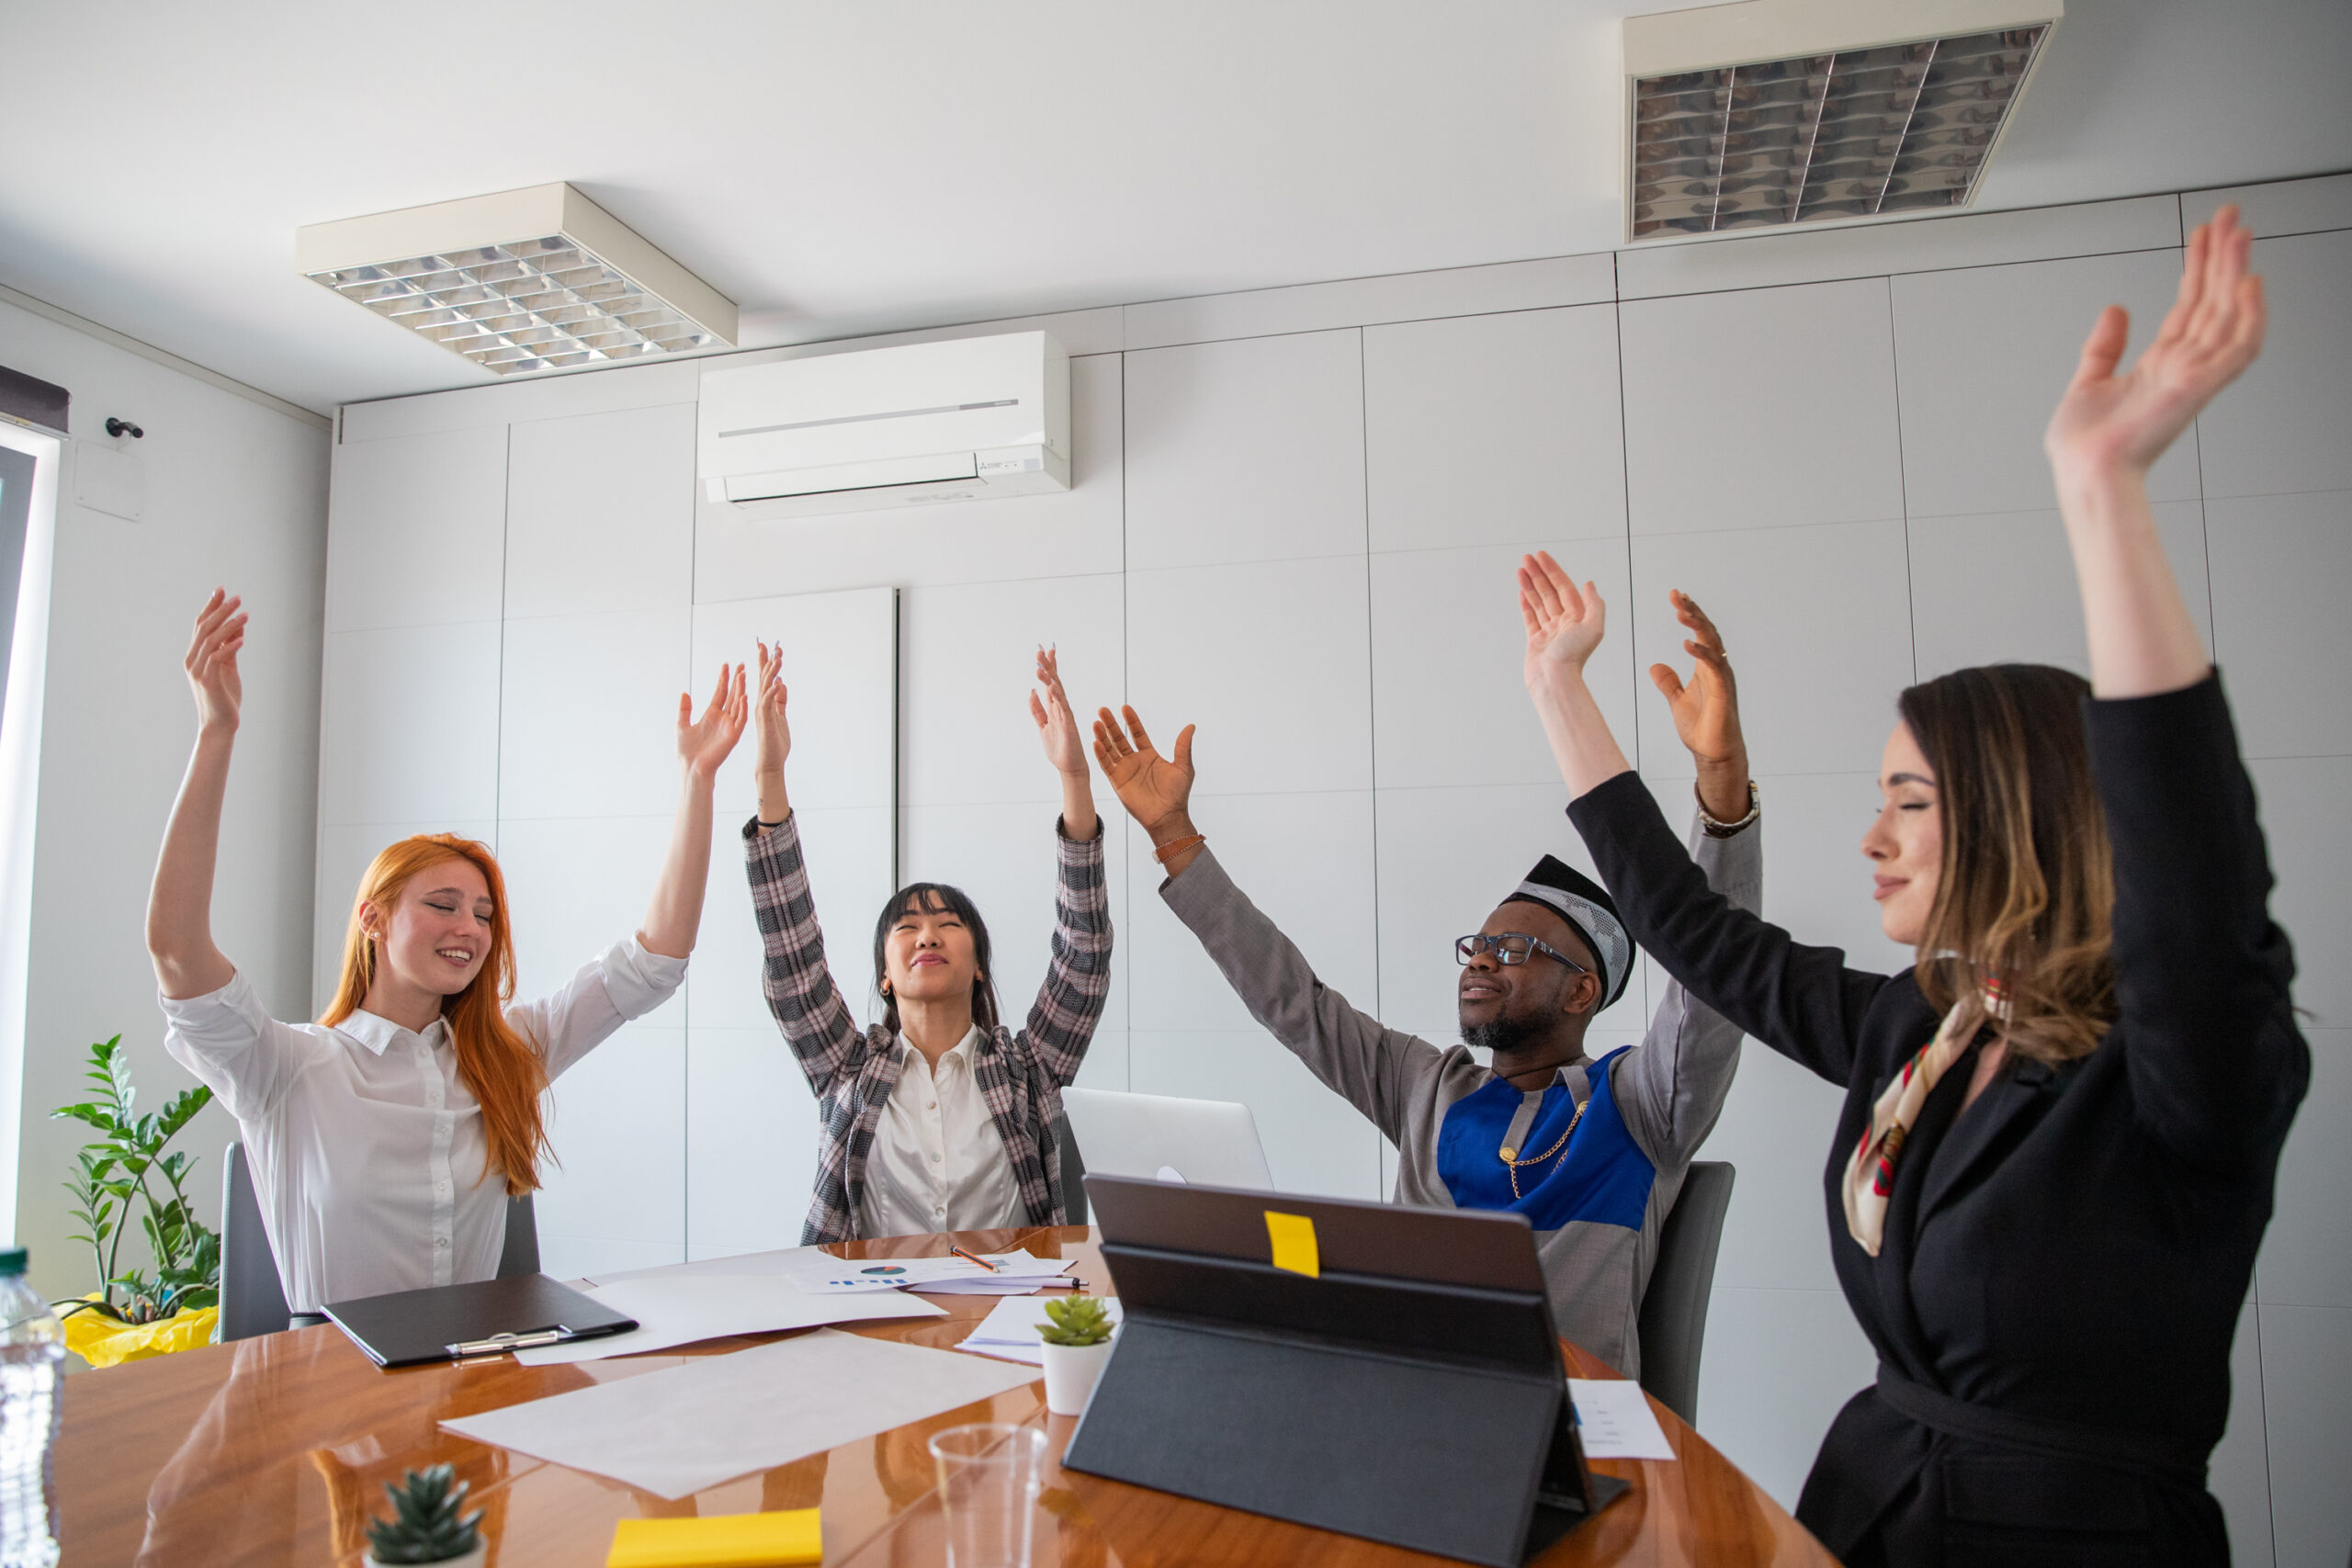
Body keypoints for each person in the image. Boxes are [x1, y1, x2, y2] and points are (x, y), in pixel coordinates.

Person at [1521, 207, 2304, 1564]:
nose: (1873, 837)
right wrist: (1557, 692)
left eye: (1911, 800)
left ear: (2024, 816)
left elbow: (2195, 888)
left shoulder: (2180, 1062)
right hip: (1867, 1507)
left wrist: (2103, 491)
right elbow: (1696, 931)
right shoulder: (1922, 1029)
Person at [1087, 622, 1761, 1378]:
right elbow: (1293, 1001)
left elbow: (1713, 987)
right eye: (1475, 945)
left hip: (1566, 1430)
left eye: (1510, 950)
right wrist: (1175, 836)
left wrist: (1723, 802)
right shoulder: (1430, 1084)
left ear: (1582, 989)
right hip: (1402, 1397)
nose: (1479, 961)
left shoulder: (1638, 1104)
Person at [149, 592, 748, 1315]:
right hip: (333, 1400)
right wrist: (218, 729)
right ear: (372, 918)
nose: (469, 927)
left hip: (473, 1381)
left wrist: (698, 780)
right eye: (442, 904)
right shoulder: (288, 1069)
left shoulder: (503, 1052)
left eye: (485, 913)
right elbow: (178, 952)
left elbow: (656, 962)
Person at [747, 641, 1111, 1243]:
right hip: (872, 1315)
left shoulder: (1028, 1071)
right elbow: (793, 959)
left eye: (948, 922)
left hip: (1009, 1317)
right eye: (906, 926)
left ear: (977, 968)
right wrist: (770, 774)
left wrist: (1074, 777)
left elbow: (1084, 957)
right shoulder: (849, 1071)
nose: (927, 935)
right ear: (885, 975)